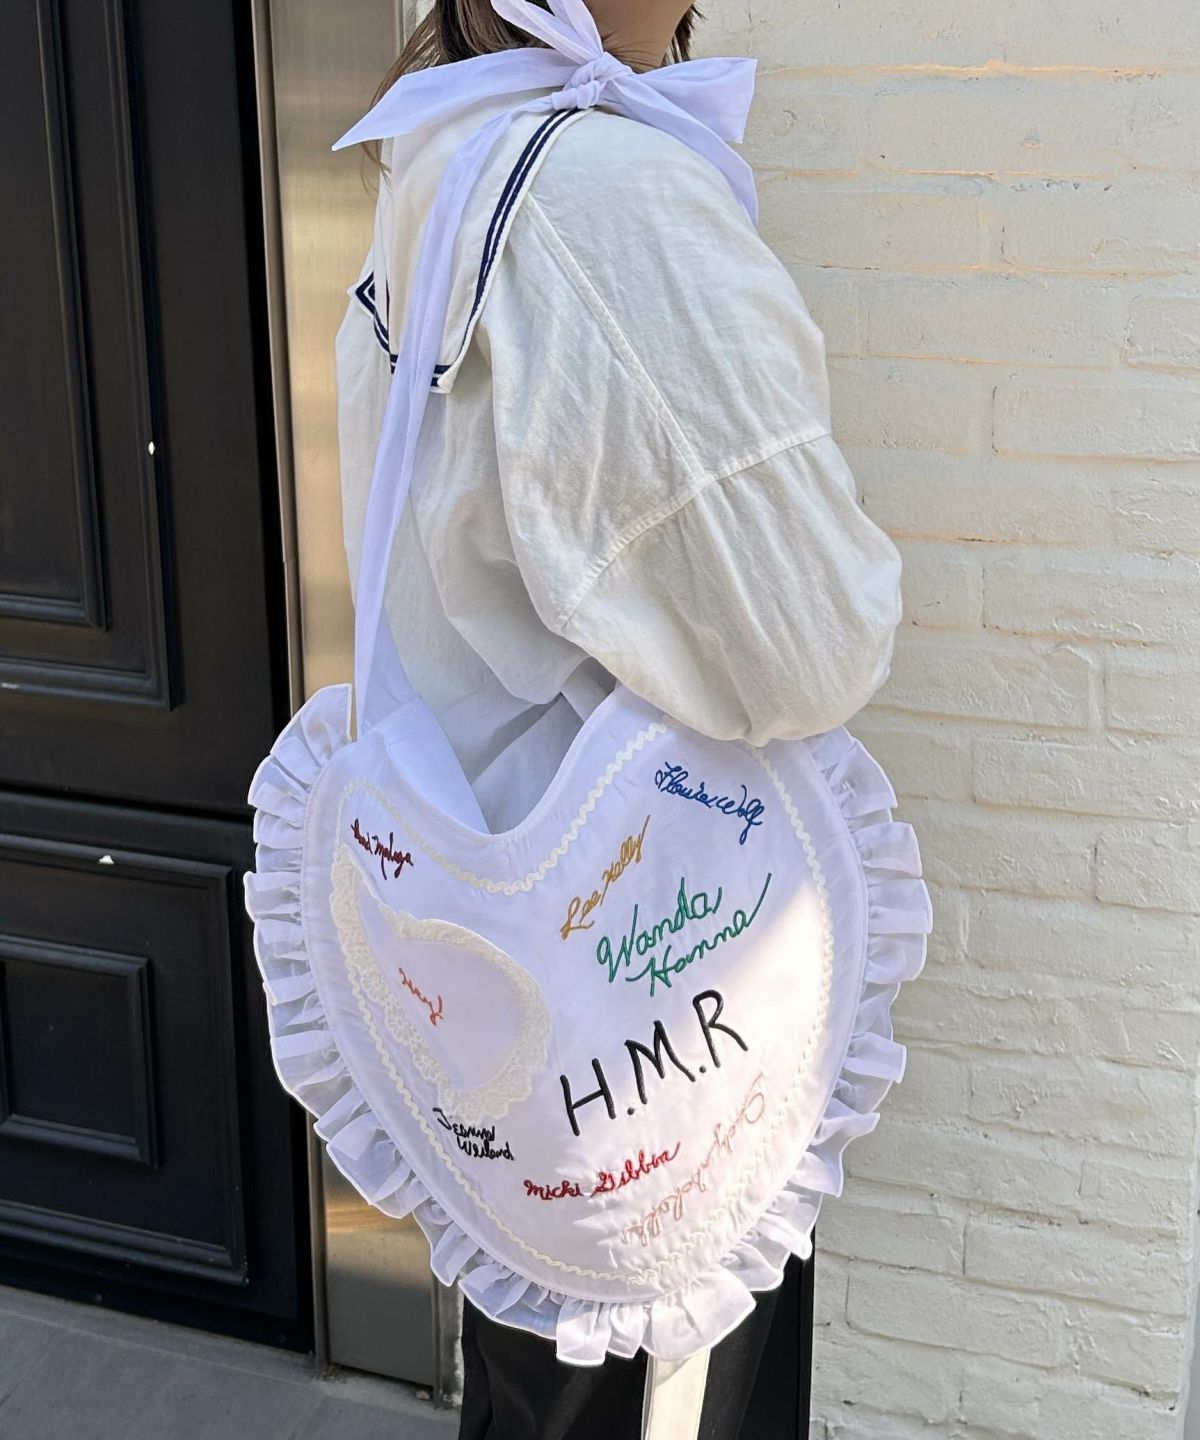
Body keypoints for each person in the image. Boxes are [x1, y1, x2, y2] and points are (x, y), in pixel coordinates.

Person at [334, 2, 903, 1435]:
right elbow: (814, 641)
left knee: (541, 1372)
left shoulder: (443, 147)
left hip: (510, 949)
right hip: (661, 962)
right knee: (665, 1370)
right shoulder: (600, 190)